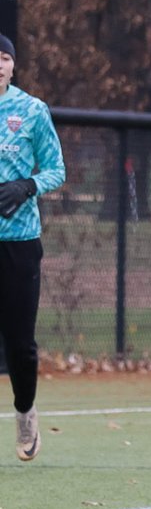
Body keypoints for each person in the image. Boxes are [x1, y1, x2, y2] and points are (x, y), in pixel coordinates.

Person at [0, 33, 66, 461]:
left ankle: (26, 413)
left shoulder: (31, 111)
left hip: (19, 245)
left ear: (12, 66)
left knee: (19, 343)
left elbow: (57, 170)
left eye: (3, 58)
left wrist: (26, 186)